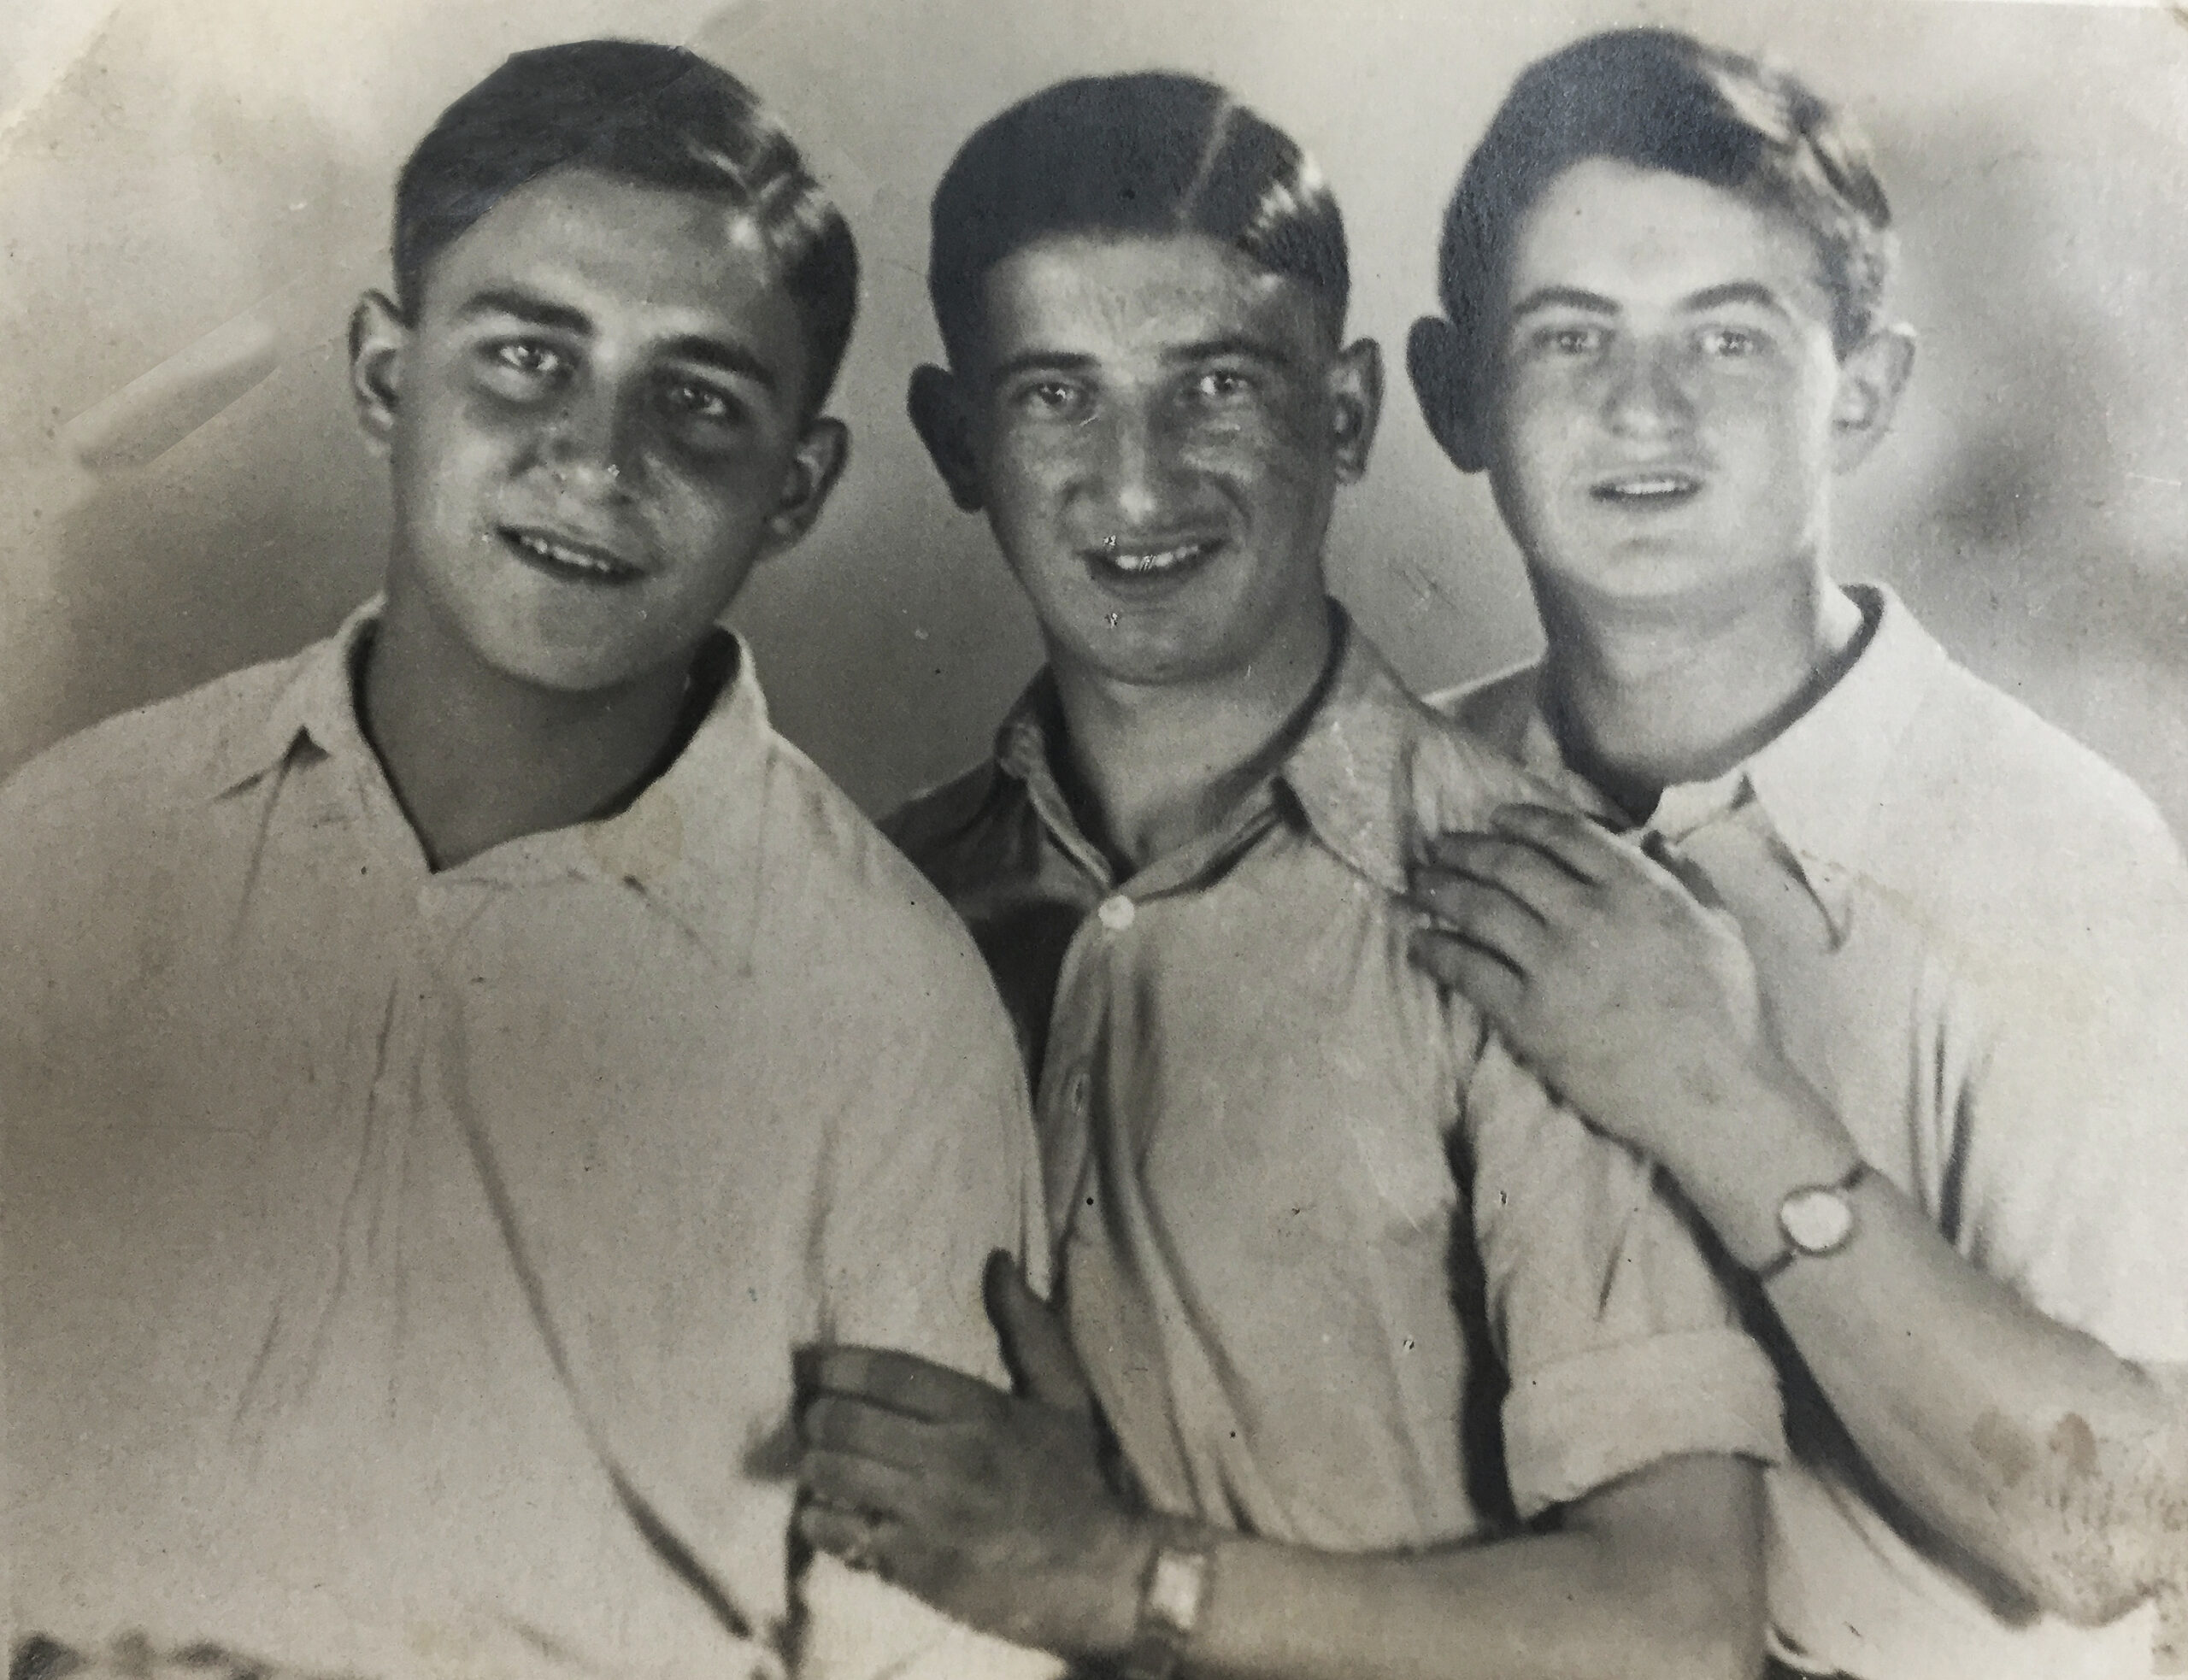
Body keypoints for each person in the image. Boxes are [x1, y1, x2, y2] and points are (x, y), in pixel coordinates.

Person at [1, 41, 1057, 1680]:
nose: (599, 456)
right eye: (524, 357)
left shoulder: (890, 1019)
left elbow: (937, 1661)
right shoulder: (75, 853)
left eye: (697, 400)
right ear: (380, 373)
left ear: (797, 489)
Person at [791, 72, 1785, 1680]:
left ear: (1347, 415)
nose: (1137, 482)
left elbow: (1679, 1628)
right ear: (956, 442)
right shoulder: (867, 904)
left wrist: (1130, 1580)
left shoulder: (1561, 927)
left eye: (1217, 386)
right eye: (1058, 395)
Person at [1403, 27, 2188, 1680]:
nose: (1643, 404)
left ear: (1868, 394)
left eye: (1731, 338)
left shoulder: (2068, 859)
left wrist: (1706, 1086)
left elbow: (2127, 1537)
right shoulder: (1418, 798)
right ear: (1450, 394)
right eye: (1568, 336)